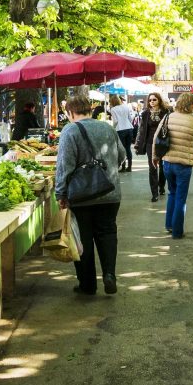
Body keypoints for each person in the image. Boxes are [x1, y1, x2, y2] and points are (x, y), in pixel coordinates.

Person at [55, 94, 126, 295]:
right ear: (89, 109)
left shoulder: (70, 131)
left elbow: (64, 166)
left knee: (83, 238)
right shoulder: (107, 128)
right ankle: (110, 275)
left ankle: (87, 284)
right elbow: (121, 155)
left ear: (70, 112)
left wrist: (60, 193)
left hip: (81, 196)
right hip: (110, 191)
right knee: (108, 233)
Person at [151, 92, 193, 239]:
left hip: (167, 162)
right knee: (181, 197)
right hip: (184, 165)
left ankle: (169, 225)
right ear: (190, 105)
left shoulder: (168, 117)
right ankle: (177, 231)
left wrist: (155, 156)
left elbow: (156, 137)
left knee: (172, 193)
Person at [135, 92, 170, 202]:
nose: (152, 102)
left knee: (163, 167)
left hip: (163, 143)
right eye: (150, 100)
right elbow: (141, 129)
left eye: (154, 99)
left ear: (159, 100)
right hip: (150, 143)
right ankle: (154, 193)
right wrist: (138, 144)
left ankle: (161, 186)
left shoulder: (166, 112)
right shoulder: (145, 113)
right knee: (152, 168)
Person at [110, 95, 134, 172]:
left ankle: (123, 167)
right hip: (129, 128)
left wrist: (113, 128)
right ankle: (129, 166)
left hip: (120, 130)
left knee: (121, 149)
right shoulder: (125, 106)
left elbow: (116, 121)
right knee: (128, 148)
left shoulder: (113, 109)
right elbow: (130, 118)